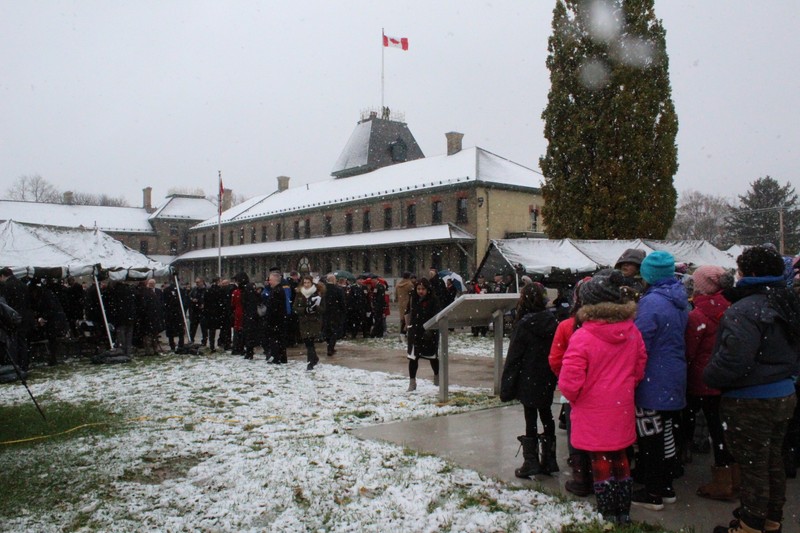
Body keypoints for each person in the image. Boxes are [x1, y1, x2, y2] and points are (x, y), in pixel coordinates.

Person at [704, 246, 800, 533]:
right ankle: (771, 519)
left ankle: (749, 525)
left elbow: (735, 359)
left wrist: (710, 375)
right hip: (784, 393)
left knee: (753, 464)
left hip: (750, 398)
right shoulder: (786, 302)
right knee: (772, 460)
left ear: (751, 273)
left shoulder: (746, 309)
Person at [558, 269, 647, 525]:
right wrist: (627, 384)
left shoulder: (583, 337)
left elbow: (570, 380)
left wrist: (576, 396)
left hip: (592, 407)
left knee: (600, 459)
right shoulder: (632, 331)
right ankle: (623, 510)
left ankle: (608, 510)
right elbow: (640, 363)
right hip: (621, 404)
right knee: (620, 455)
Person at [632, 251, 689, 511]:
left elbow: (639, 342)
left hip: (653, 377)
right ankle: (666, 485)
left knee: (649, 435)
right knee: (665, 432)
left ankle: (653, 490)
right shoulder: (677, 299)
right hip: (673, 373)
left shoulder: (652, 303)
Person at [683, 265, 737, 501]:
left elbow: (689, 351)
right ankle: (732, 475)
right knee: (721, 430)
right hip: (724, 378)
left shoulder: (697, 315)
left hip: (700, 379)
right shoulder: (731, 309)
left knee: (687, 421)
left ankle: (683, 460)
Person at [500, 282, 559, 478]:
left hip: (529, 375)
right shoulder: (552, 321)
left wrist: (507, 384)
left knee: (531, 416)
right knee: (546, 413)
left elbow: (514, 356)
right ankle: (549, 459)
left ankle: (530, 460)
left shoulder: (524, 324)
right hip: (547, 374)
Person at [549, 276, 592, 496]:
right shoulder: (615, 325)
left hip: (574, 392)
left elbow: (556, 358)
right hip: (603, 393)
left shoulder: (568, 326)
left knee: (577, 435)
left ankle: (581, 476)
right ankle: (600, 475)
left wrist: (567, 382)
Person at [405, 278, 441, 392]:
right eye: (419, 289)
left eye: (423, 289)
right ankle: (412, 382)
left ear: (427, 289)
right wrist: (406, 327)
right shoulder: (413, 298)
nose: (420, 291)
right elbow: (408, 312)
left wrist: (430, 330)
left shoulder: (433, 300)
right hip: (415, 332)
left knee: (432, 357)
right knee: (413, 359)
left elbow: (437, 316)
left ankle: (437, 377)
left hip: (429, 333)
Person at [0, 267, 35, 371]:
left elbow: (6, 305)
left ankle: (18, 365)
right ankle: (25, 363)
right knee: (23, 341)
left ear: (2, 276)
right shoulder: (23, 285)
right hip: (26, 316)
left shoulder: (7, 286)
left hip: (15, 317)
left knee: (15, 342)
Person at [293, 274, 325, 370]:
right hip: (304, 321)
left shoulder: (317, 293)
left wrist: (316, 307)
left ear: (312, 283)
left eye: (308, 282)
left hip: (314, 321)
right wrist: (304, 310)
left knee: (310, 341)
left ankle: (310, 362)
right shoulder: (299, 294)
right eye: (305, 282)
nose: (306, 284)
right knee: (307, 341)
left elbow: (323, 309)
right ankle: (314, 358)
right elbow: (295, 307)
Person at [262, 271, 289, 364]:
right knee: (279, 340)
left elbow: (274, 308)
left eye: (270, 280)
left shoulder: (276, 291)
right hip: (278, 320)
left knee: (275, 340)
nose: (269, 282)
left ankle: (277, 357)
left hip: (276, 321)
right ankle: (281, 357)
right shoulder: (278, 290)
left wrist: (269, 319)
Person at [106, 281, 137, 356]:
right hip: (129, 318)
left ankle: (122, 352)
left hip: (120, 319)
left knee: (121, 337)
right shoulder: (129, 290)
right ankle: (128, 352)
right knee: (128, 337)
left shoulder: (115, 292)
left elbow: (113, 306)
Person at [322, 273, 345, 356]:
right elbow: (342, 302)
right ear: (334, 280)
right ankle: (330, 348)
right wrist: (343, 311)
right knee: (334, 331)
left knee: (328, 330)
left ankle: (329, 346)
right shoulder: (338, 290)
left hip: (325, 313)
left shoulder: (323, 289)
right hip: (335, 313)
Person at [202, 277, 226, 352]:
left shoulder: (208, 290)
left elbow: (205, 301)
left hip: (210, 312)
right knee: (221, 328)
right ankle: (219, 343)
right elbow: (222, 301)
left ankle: (212, 344)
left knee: (211, 330)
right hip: (218, 312)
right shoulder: (220, 290)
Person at [162, 280, 187, 352]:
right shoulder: (168, 291)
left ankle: (177, 344)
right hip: (173, 313)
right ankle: (176, 344)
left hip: (176, 313)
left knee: (178, 330)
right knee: (174, 330)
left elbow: (184, 302)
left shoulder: (180, 290)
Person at [188, 277, 207, 346]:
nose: (197, 284)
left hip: (203, 311)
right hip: (194, 311)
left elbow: (209, 299)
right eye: (196, 282)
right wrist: (192, 299)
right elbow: (189, 296)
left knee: (203, 327)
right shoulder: (194, 289)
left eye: (198, 282)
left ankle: (204, 341)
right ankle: (191, 340)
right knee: (193, 327)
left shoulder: (206, 290)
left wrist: (204, 304)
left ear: (202, 282)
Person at [395, 272, 414, 336]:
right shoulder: (410, 284)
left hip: (401, 303)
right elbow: (412, 295)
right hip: (408, 303)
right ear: (409, 277)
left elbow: (396, 295)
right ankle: (405, 331)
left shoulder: (398, 285)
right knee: (408, 318)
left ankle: (402, 332)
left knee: (402, 318)